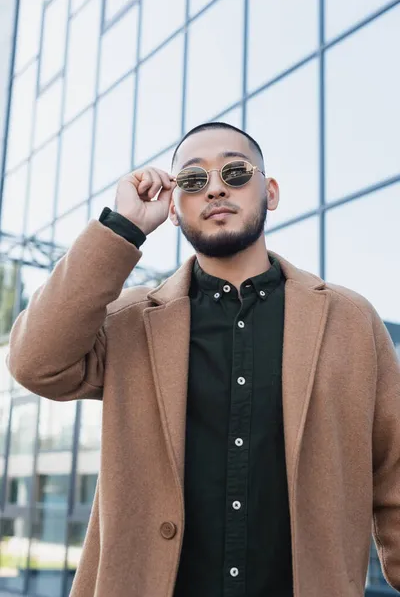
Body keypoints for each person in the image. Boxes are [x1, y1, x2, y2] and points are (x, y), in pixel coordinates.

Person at [6, 122, 400, 597]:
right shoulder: (131, 321)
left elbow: (395, 482)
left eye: (236, 172)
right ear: (173, 208)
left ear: (269, 192)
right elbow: (35, 362)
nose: (215, 187)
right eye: (192, 181)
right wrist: (121, 228)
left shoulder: (351, 321)